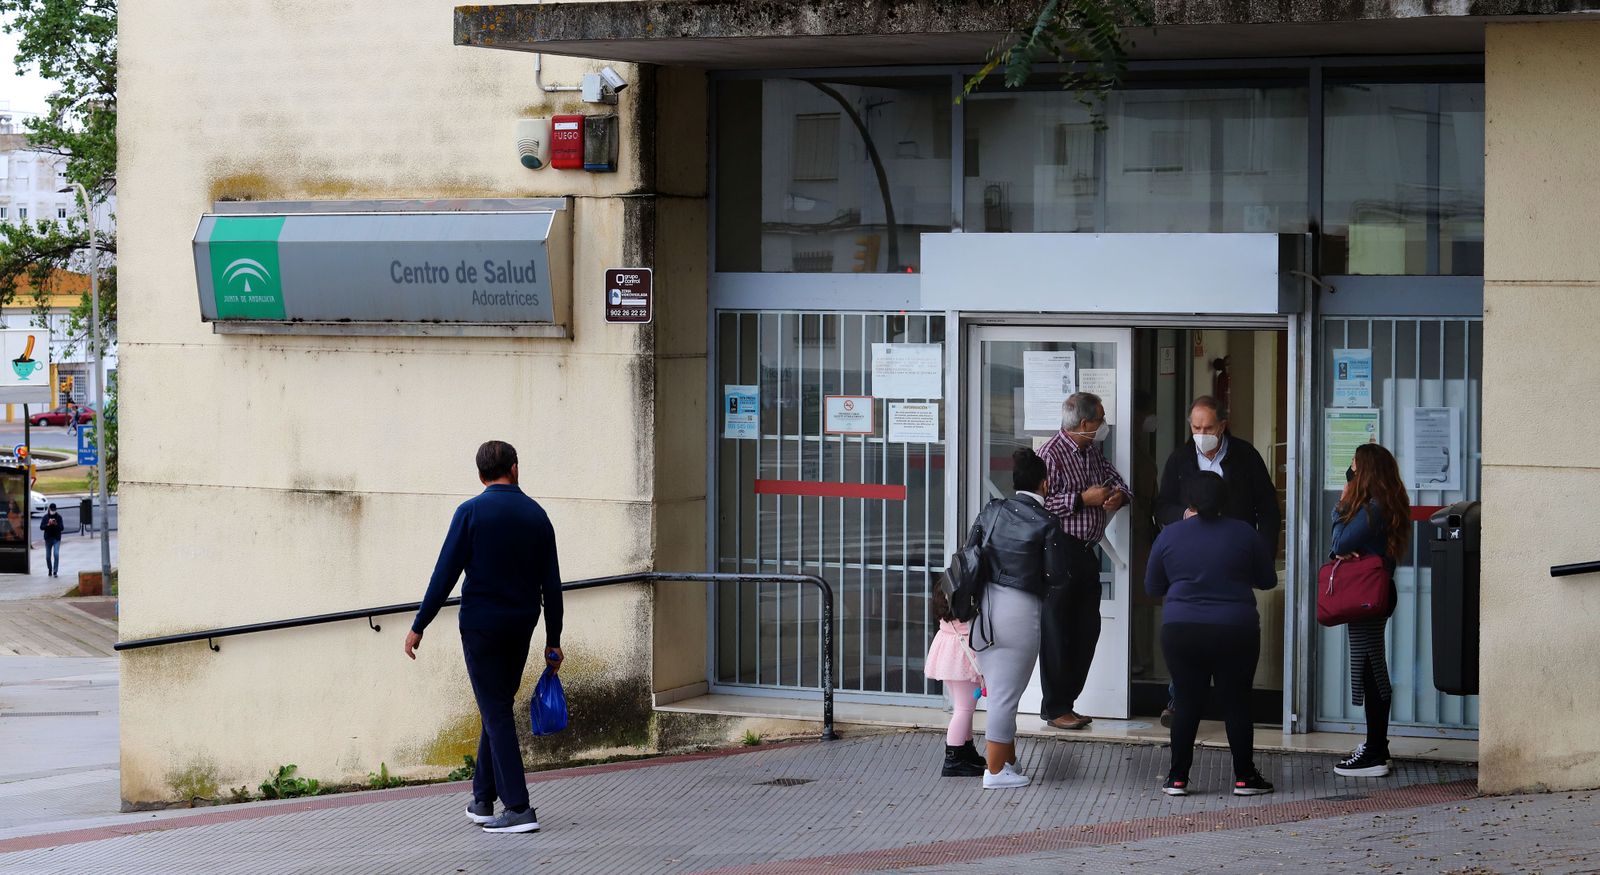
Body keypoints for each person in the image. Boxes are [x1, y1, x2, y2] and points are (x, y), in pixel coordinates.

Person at [405, 440, 564, 834]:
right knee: (497, 706)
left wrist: (420, 624)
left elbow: (444, 574)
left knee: (496, 710)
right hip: (522, 625)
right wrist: (553, 639)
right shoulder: (537, 516)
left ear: (480, 475)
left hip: (481, 627)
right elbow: (552, 585)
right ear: (514, 469)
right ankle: (482, 799)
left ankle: (519, 808)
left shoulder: (470, 512)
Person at [1145, 473, 1278, 797]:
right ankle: (1245, 777)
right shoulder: (1245, 533)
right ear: (1225, 499)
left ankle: (1177, 778)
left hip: (1181, 629)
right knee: (1237, 702)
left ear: (1189, 500)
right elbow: (1268, 580)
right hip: (1236, 629)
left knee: (1186, 702)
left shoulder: (1169, 535)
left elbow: (1152, 586)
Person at [1153, 395, 1281, 725]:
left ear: (1222, 425)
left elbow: (1268, 509)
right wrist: (1184, 515)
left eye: (1208, 428)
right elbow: (1162, 506)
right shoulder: (1180, 459)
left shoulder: (1246, 457)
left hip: (1233, 559)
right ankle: (1179, 701)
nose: (1201, 434)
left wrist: (1262, 555)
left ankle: (1230, 704)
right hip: (1190, 559)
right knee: (1187, 628)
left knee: (1229, 631)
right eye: (1195, 427)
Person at [969, 448, 1072, 789]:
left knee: (1000, 690)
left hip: (984, 608)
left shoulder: (992, 510)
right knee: (1004, 695)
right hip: (1019, 611)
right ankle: (996, 771)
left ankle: (1008, 762)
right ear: (1045, 484)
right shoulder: (1047, 522)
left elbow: (971, 551)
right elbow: (1057, 576)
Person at [1037, 392, 1131, 730]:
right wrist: (1081, 499)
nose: (1104, 425)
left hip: (1087, 551)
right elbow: (1039, 504)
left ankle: (1068, 702)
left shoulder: (1092, 451)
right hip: (1059, 551)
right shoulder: (1050, 454)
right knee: (1058, 630)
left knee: (1087, 629)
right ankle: (1055, 707)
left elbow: (1118, 482)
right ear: (1085, 422)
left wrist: (1118, 497)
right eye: (1100, 419)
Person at [1330, 443, 1409, 779]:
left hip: (1369, 595)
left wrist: (1341, 506)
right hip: (1375, 592)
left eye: (1353, 465)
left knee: (1372, 668)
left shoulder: (1373, 508)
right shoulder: (1383, 504)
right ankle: (1377, 745)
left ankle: (1375, 751)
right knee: (1371, 665)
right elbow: (1342, 547)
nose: (1349, 472)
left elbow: (1339, 543)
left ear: (1365, 471)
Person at [923, 587, 985, 777]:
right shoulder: (967, 589)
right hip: (963, 652)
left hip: (949, 647)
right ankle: (954, 758)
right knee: (964, 709)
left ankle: (965, 750)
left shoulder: (947, 584)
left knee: (963, 707)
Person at [40, 502, 64, 577]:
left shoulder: (59, 517)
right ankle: (50, 569)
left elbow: (62, 528)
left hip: (56, 538)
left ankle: (55, 571)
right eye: (52, 510)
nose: (53, 511)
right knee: (48, 556)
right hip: (48, 538)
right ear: (49, 509)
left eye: (54, 510)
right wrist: (48, 524)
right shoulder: (45, 517)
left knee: (56, 554)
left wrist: (56, 524)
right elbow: (41, 527)